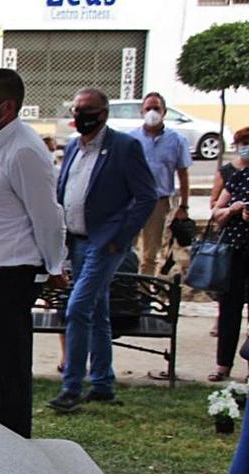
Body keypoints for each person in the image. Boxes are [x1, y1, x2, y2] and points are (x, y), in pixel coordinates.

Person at [0, 68, 66, 438]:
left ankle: (13, 445)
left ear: (8, 106)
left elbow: (47, 216)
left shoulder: (24, 150)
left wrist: (54, 264)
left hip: (9, 276)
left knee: (9, 369)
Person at [46, 88, 156, 412]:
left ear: (104, 114)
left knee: (78, 308)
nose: (80, 116)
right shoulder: (73, 149)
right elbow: (65, 190)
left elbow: (146, 196)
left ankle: (71, 386)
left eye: (88, 110)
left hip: (104, 243)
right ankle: (103, 383)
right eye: (77, 109)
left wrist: (118, 236)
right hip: (77, 241)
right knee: (97, 311)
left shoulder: (124, 147)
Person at [130, 92, 191, 276]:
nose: (152, 112)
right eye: (148, 108)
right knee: (125, 249)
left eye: (156, 108)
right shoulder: (131, 139)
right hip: (131, 200)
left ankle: (144, 295)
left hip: (158, 201)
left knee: (151, 252)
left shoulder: (176, 140)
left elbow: (183, 174)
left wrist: (184, 205)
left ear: (164, 112)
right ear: (142, 111)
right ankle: (124, 290)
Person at [208, 141, 249, 382]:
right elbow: (216, 213)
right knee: (229, 310)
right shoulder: (240, 177)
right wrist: (234, 210)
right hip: (235, 252)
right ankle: (223, 365)